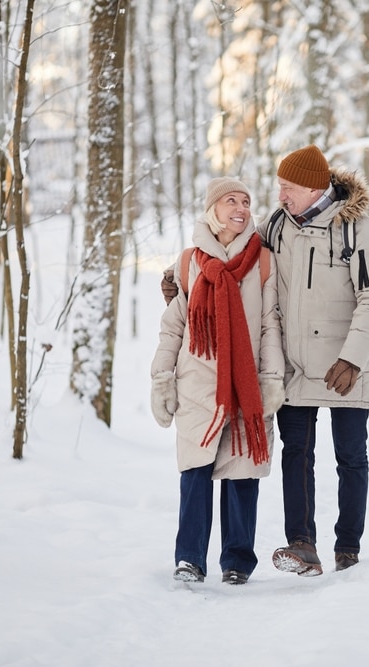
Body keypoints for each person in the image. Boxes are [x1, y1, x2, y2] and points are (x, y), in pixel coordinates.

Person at [161, 146, 369, 575]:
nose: (280, 195)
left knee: (350, 457)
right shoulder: (278, 226)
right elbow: (234, 253)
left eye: (288, 188)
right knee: (297, 454)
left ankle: (348, 549)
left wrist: (353, 358)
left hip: (345, 364)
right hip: (294, 365)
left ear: (313, 187)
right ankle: (302, 545)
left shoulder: (357, 228)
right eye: (279, 187)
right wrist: (181, 281)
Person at [151, 177, 285, 585]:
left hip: (245, 383)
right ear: (213, 209)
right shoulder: (190, 260)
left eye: (246, 201)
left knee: (242, 472)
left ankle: (237, 562)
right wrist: (162, 378)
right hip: (198, 381)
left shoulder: (262, 259)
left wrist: (272, 377)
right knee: (195, 471)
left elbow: (268, 325)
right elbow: (174, 325)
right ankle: (190, 558)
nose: (241, 208)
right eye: (231, 200)